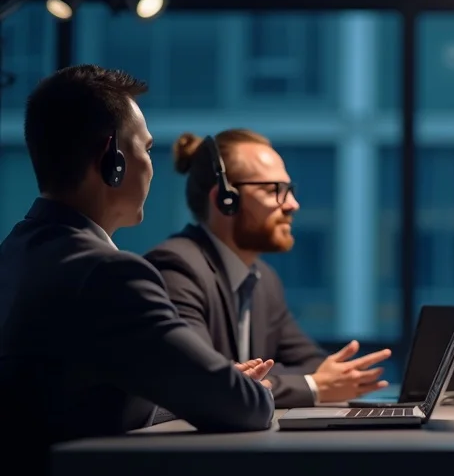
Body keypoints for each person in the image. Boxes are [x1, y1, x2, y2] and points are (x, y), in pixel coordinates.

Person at [0, 65, 276, 445]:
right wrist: (224, 389)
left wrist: (201, 390)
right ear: (111, 159)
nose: (151, 166)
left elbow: (86, 402)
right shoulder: (110, 274)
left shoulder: (14, 252)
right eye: (145, 148)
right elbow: (249, 407)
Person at [143, 129, 391, 408]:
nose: (292, 205)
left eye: (289, 190)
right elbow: (204, 382)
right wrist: (311, 386)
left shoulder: (263, 280)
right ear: (225, 199)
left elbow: (310, 362)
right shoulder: (176, 269)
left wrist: (267, 380)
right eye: (274, 190)